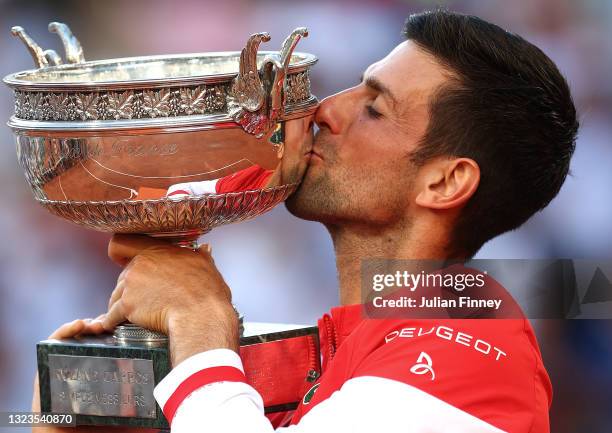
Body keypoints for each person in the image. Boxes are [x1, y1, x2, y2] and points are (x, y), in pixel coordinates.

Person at [35, 9, 578, 433]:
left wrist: (198, 317)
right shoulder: (337, 350)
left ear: (444, 182)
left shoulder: (473, 351)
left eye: (374, 108)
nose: (324, 110)